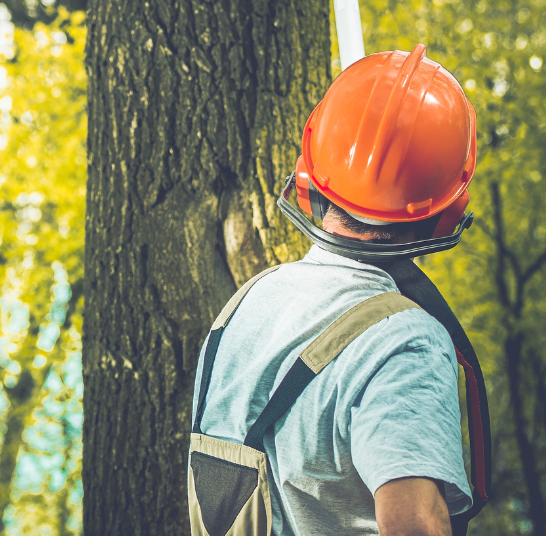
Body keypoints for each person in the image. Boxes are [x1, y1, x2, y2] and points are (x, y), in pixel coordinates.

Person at [186, 45, 491, 536]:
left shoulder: (243, 307)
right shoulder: (405, 341)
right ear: (448, 215)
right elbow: (414, 525)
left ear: (308, 180)